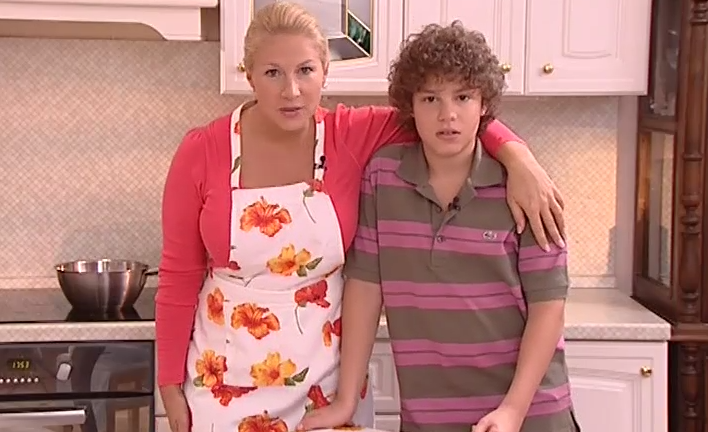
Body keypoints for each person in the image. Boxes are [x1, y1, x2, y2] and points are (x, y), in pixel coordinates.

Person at [156, 3, 568, 432]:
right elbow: (178, 275)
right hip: (223, 381)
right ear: (249, 75)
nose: (291, 91)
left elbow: (450, 117)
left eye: (305, 70)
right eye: (273, 72)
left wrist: (519, 158)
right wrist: (169, 386)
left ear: (325, 73)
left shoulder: (351, 134)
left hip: (327, 385)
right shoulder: (202, 151)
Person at [298, 21, 580, 432]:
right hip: (429, 417)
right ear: (410, 106)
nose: (448, 114)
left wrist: (513, 410)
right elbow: (365, 287)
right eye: (431, 98)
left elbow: (549, 309)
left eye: (463, 97)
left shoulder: (525, 189)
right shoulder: (383, 177)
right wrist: (345, 400)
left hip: (529, 415)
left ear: (483, 104)